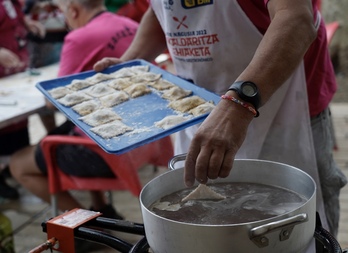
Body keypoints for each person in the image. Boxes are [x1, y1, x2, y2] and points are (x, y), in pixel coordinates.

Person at [93, 0, 347, 242]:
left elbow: (296, 19)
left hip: (285, 110)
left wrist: (238, 104)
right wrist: (132, 60)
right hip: (200, 112)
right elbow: (165, 12)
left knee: (295, 231)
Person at [9, 0, 139, 218]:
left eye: (64, 14)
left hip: (106, 148)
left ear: (74, 11)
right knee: (77, 125)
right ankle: (102, 208)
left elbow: (53, 103)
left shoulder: (79, 37)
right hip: (139, 140)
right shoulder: (131, 26)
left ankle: (84, 225)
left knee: (18, 164)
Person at [0, 0, 45, 200]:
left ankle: (14, 167)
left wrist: (26, 22)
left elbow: (13, 17)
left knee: (19, 121)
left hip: (14, 68)